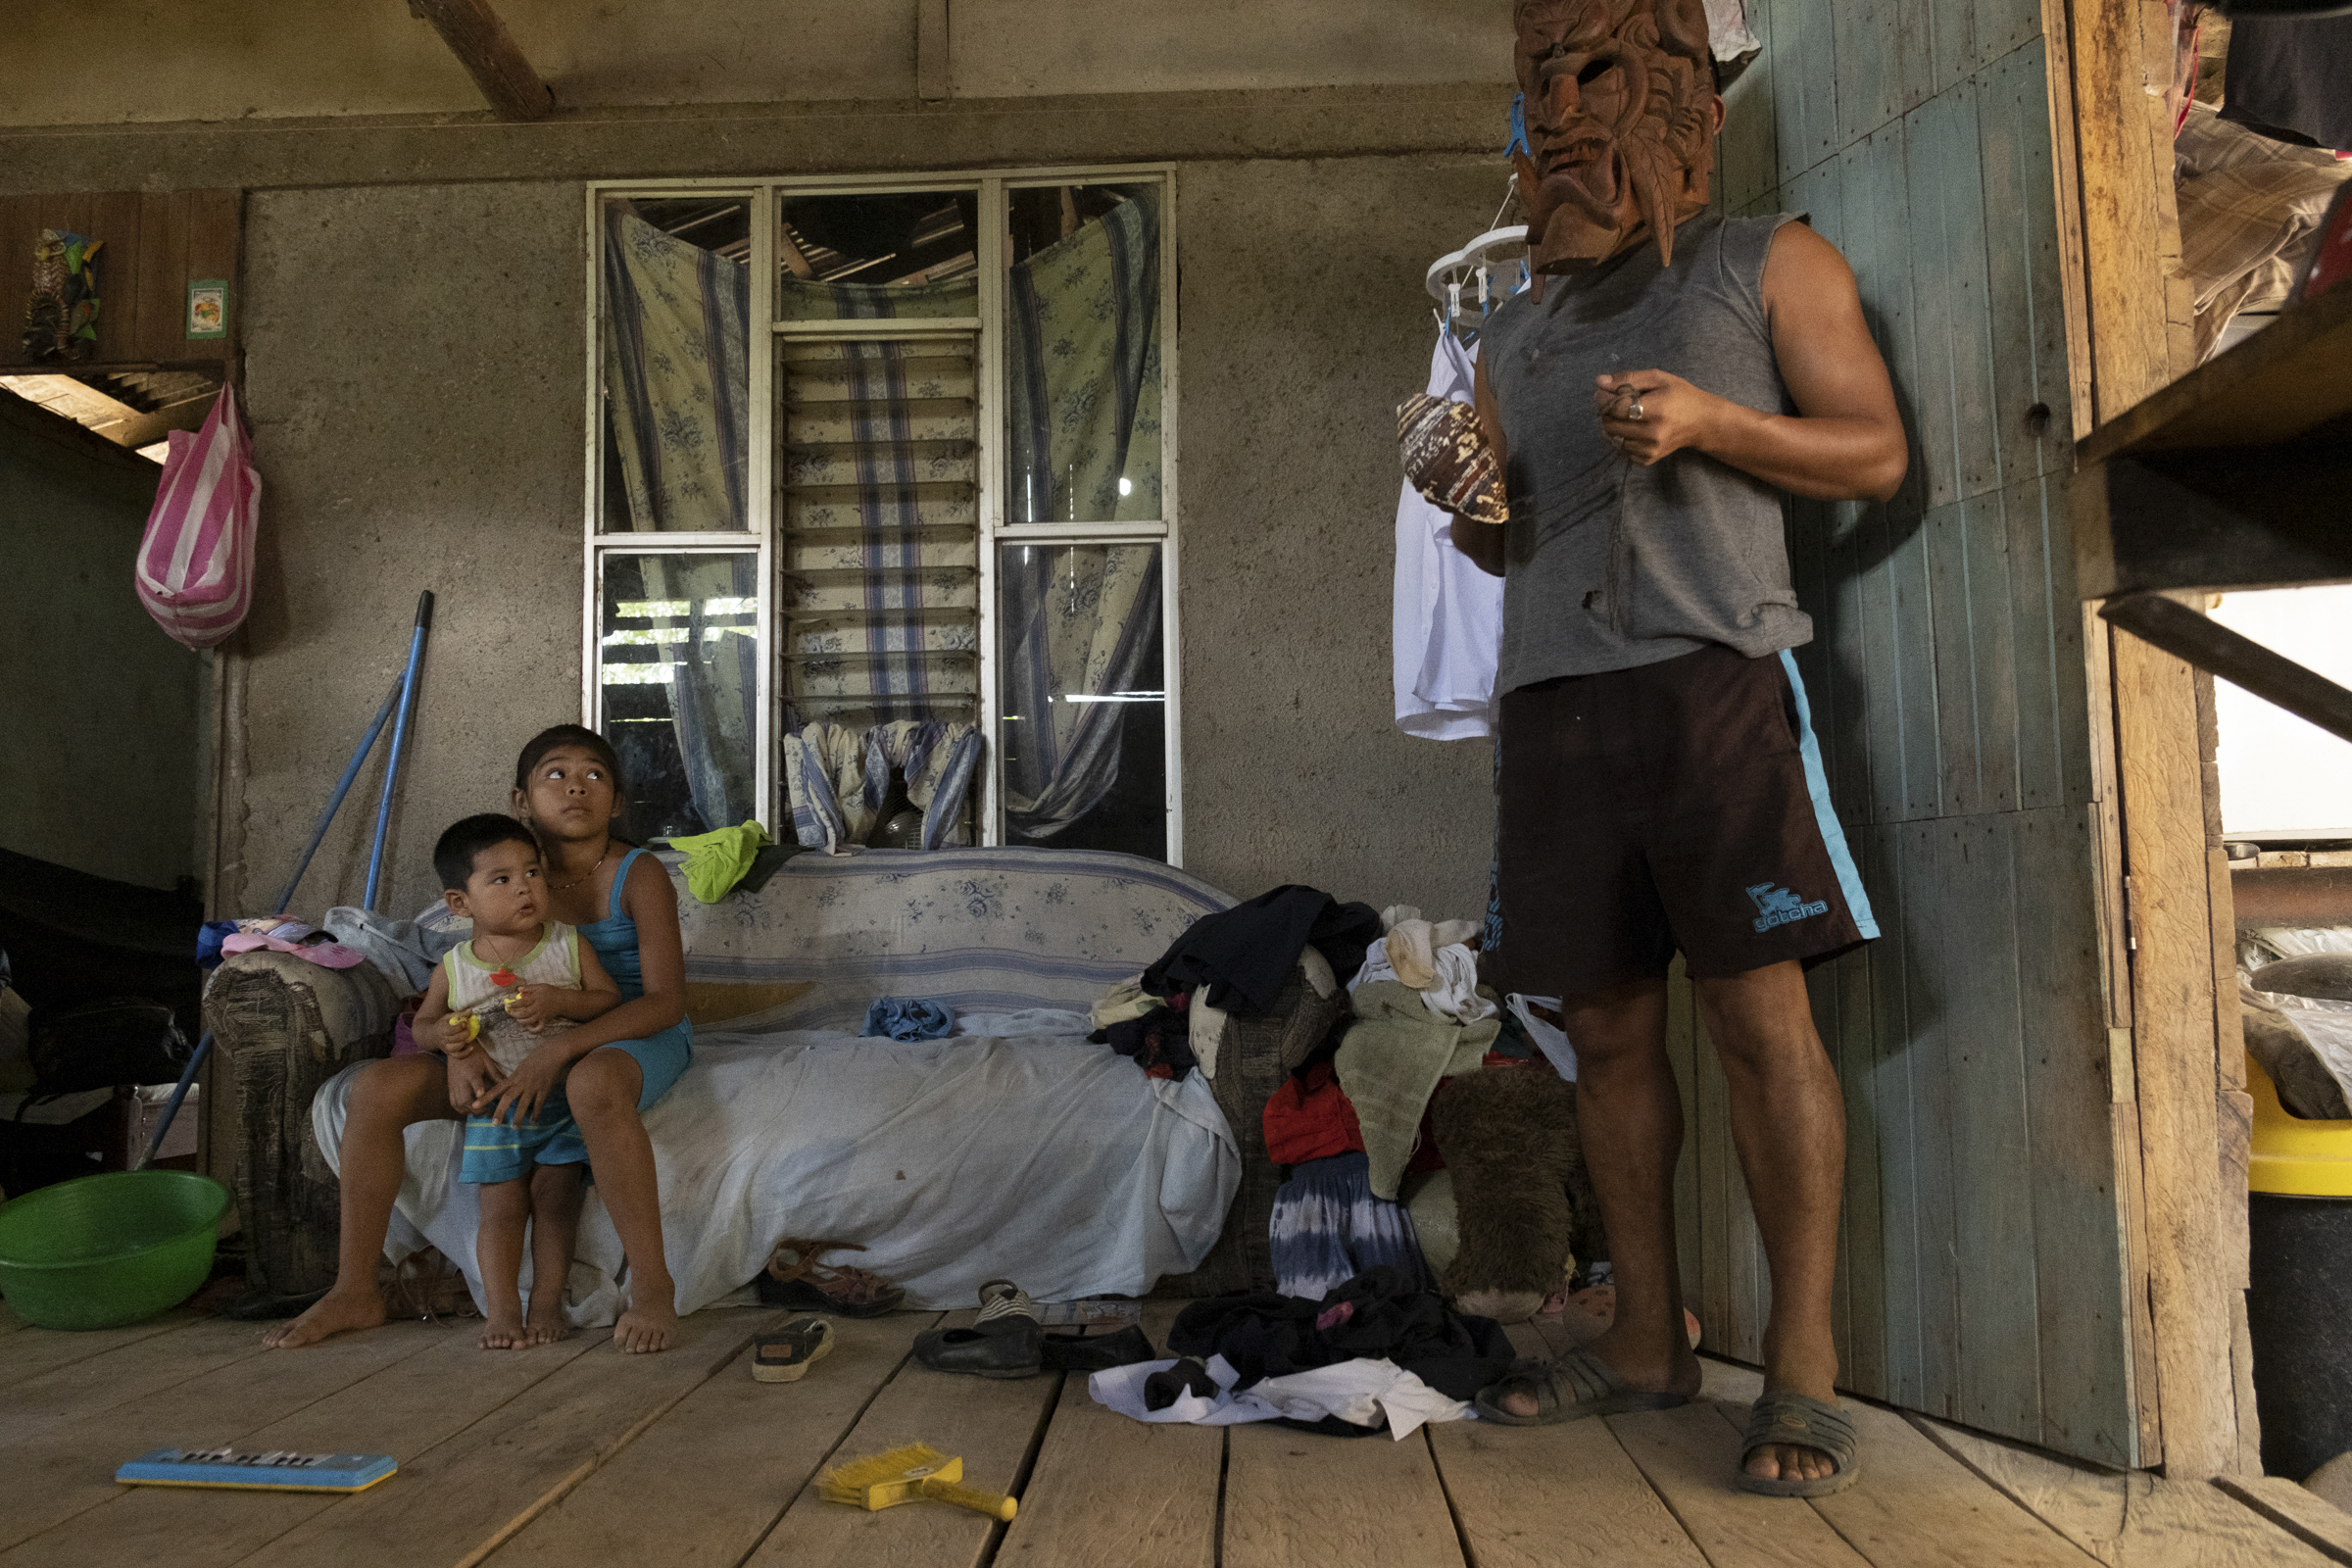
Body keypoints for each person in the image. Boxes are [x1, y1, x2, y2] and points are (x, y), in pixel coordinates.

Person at [1436, 0, 1908, 1496]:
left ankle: (1805, 1369)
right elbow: (1506, 546)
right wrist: (1462, 499)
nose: (1561, 116)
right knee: (1614, 1032)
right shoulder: (1510, 329)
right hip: (1556, 703)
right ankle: (1647, 1340)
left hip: (1714, 682)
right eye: (1538, 90)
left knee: (1762, 1024)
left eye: (1594, 77)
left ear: (1680, 98)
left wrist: (1708, 418)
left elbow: (1875, 453)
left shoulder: (1771, 259)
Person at [269, 725, 695, 1353]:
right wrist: (453, 1052)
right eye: (556, 773)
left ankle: (655, 1288)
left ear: (619, 802)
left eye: (596, 775)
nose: (576, 785)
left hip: (628, 1035)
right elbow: (461, 993)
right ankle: (355, 1288)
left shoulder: (639, 874)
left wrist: (559, 1048)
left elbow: (665, 1002)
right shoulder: (497, 877)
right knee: (379, 1088)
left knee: (591, 1079)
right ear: (521, 799)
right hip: (508, 1047)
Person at [416, 814, 621, 1349]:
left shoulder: (568, 945)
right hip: (498, 1108)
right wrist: (444, 1035)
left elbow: (606, 1001)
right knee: (502, 1208)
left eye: (532, 872)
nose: (525, 887)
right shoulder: (455, 967)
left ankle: (548, 1302)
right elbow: (421, 1027)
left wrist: (561, 1002)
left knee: (556, 1201)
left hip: (561, 1100)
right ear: (461, 904)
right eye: (501, 879)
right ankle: (503, 1311)